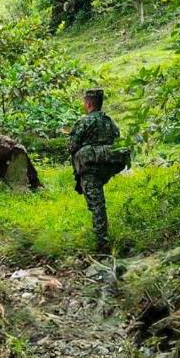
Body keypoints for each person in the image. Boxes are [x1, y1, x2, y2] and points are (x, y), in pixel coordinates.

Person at [68, 88, 121, 255]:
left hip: (90, 168)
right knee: (98, 202)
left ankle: (102, 244)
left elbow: (71, 146)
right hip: (107, 167)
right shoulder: (110, 122)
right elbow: (117, 140)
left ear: (88, 103)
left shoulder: (84, 121)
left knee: (97, 206)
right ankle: (102, 240)